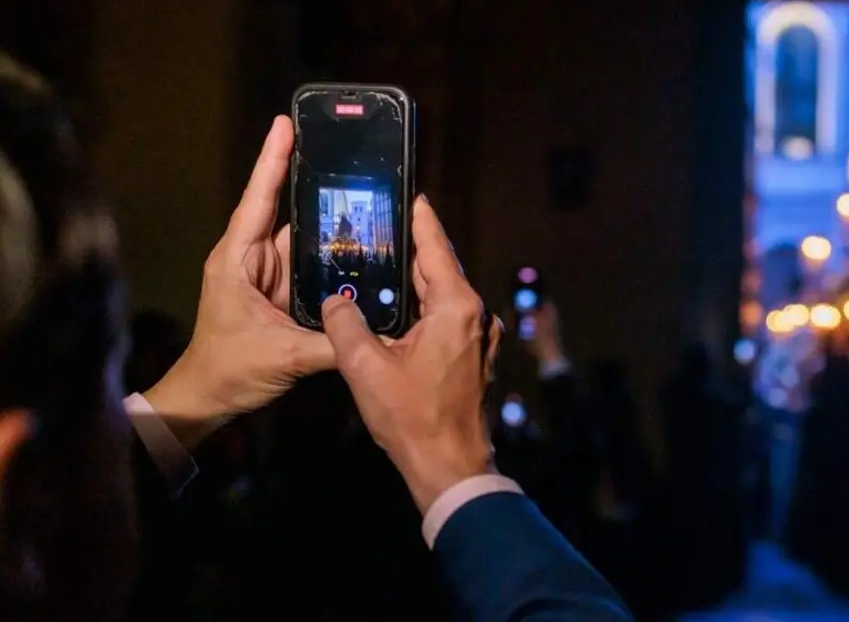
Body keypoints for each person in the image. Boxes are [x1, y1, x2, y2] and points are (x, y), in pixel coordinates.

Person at [0, 52, 632, 621]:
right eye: (108, 379)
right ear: (14, 461)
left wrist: (198, 391)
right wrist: (456, 466)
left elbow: (72, 515)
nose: (114, 420)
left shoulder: (49, 520)